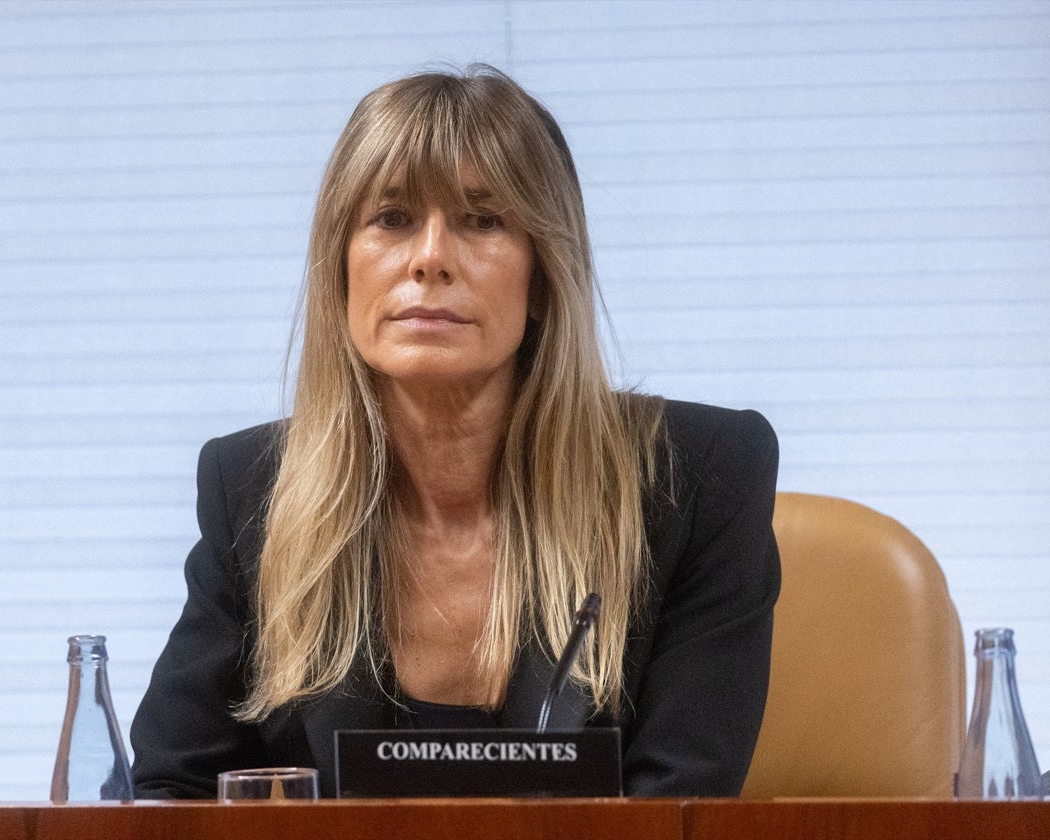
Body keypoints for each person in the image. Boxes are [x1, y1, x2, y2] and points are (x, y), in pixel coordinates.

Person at [130, 65, 780, 799]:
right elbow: (171, 791)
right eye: (393, 218)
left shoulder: (696, 479)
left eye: (482, 219)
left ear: (543, 278)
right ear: (342, 270)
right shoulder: (252, 488)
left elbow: (679, 807)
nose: (430, 257)